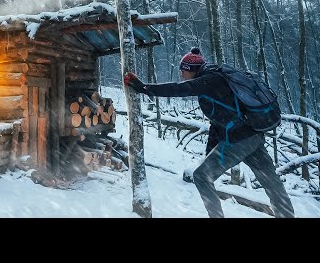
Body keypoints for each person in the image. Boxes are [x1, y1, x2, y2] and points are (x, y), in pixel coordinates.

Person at [123, 47, 295, 218]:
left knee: (201, 177)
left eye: (183, 71)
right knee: (272, 183)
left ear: (192, 70)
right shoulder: (217, 77)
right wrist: (209, 154)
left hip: (239, 140)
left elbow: (178, 89)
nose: (182, 75)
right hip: (253, 135)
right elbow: (218, 120)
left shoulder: (209, 80)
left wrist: (144, 88)